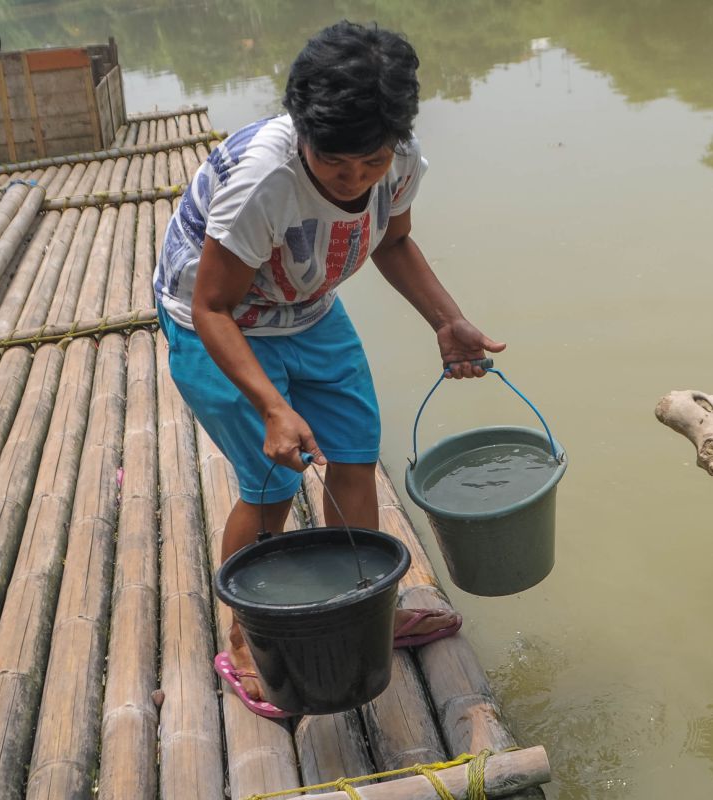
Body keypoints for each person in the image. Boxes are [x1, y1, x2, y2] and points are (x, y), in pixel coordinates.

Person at [154, 20, 505, 717]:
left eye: (369, 164)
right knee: (272, 480)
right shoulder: (266, 178)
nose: (354, 181)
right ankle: (247, 641)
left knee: (352, 455)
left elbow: (393, 241)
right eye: (335, 164)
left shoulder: (399, 160)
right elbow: (214, 306)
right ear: (302, 129)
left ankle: (363, 606)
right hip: (221, 324)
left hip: (309, 309)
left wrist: (447, 319)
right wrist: (273, 409)